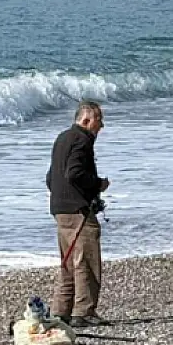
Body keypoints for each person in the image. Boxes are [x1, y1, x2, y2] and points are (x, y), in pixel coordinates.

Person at [46, 101, 110, 328]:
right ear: (86, 120)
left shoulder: (62, 138)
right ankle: (84, 311)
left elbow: (50, 176)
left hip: (59, 208)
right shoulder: (82, 140)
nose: (101, 126)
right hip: (77, 210)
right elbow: (74, 173)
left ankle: (60, 311)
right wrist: (97, 185)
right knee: (86, 260)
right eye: (98, 120)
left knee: (68, 262)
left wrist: (60, 197)